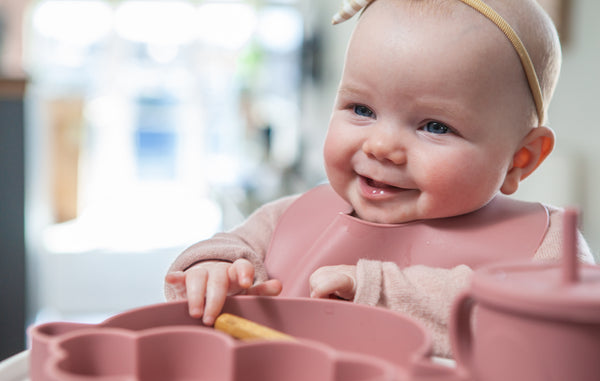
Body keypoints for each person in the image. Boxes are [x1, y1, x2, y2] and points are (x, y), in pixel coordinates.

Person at [165, 0, 595, 357]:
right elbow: (225, 251)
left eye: (435, 126)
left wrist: (380, 290)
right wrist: (213, 272)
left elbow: (548, 326)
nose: (381, 146)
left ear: (521, 158)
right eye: (361, 109)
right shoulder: (296, 219)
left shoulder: (544, 244)